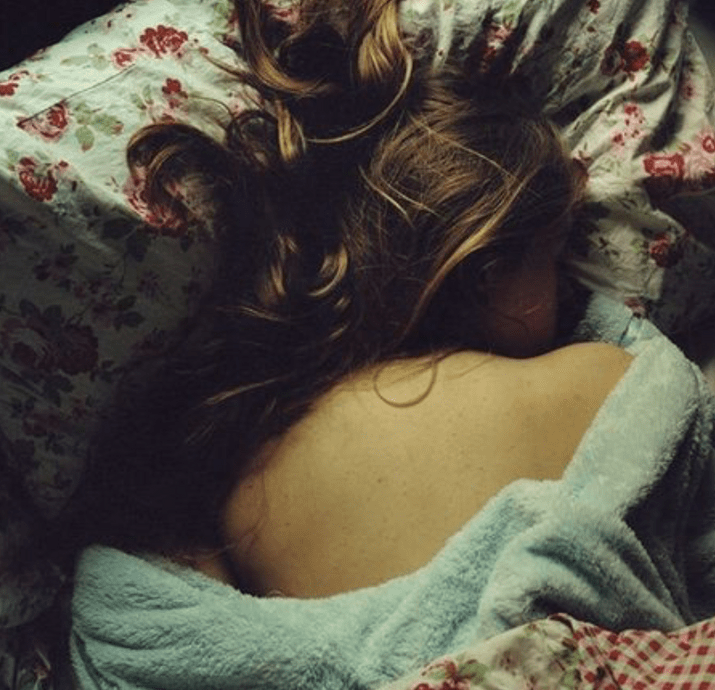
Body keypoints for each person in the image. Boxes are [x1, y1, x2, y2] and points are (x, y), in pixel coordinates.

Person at [63, 0, 634, 598]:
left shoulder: (240, 493)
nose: (569, 290)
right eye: (554, 256)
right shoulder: (603, 379)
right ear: (487, 272)